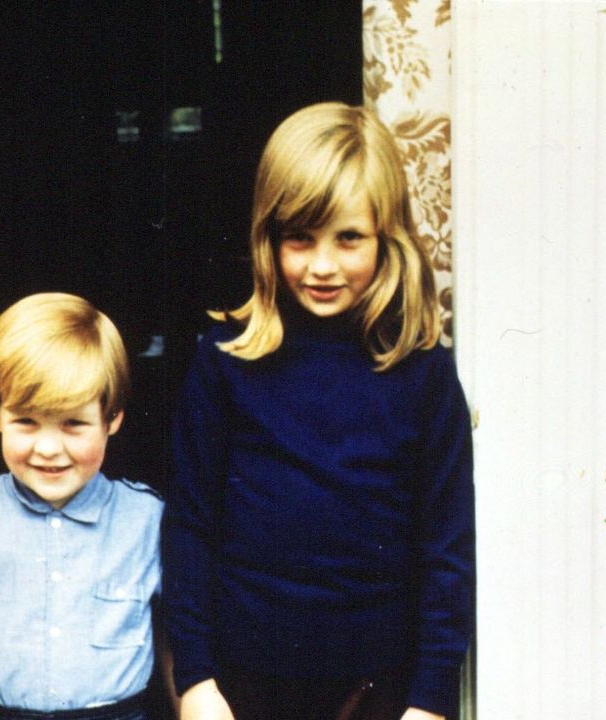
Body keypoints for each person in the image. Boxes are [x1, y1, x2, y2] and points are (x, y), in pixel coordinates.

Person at [163, 102, 475, 720]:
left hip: (376, 686)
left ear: (388, 237)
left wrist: (431, 700)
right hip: (244, 682)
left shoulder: (423, 374)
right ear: (267, 237)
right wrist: (195, 679)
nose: (323, 265)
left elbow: (447, 549)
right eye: (299, 238)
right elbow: (189, 528)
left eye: (349, 238)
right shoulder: (224, 361)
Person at [0, 292, 164, 720]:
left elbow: (183, 641)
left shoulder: (147, 520)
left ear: (112, 418)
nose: (47, 448)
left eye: (73, 424)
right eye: (26, 421)